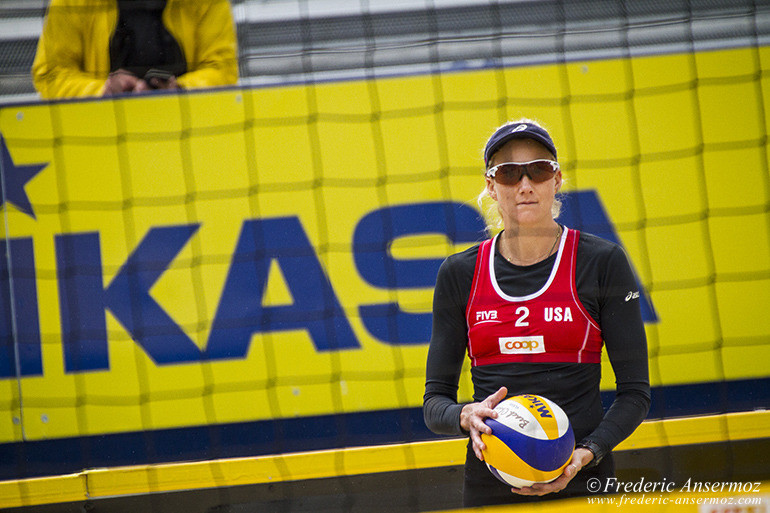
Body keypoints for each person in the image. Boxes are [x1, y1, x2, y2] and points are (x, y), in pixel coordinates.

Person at [423, 118, 651, 507]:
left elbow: (636, 393)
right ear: (491, 187)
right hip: (491, 483)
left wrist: (589, 452)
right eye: (509, 173)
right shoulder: (460, 273)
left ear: (557, 179)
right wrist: (466, 416)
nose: (525, 184)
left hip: (583, 475)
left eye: (539, 170)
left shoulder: (601, 261)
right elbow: (434, 404)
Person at [31, 0, 239, 99]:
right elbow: (50, 74)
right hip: (100, 130)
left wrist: (179, 90)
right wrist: (103, 91)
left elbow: (223, 69)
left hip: (189, 126)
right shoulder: (72, 2)